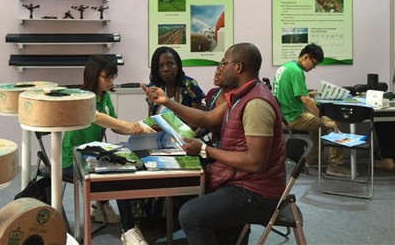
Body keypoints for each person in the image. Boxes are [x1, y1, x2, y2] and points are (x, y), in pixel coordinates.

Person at [143, 43, 286, 245]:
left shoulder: (256, 104)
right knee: (181, 186)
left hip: (256, 193)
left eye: (223, 63)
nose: (220, 68)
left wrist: (204, 149)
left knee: (190, 215)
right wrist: (166, 102)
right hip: (239, 179)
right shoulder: (240, 96)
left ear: (237, 67)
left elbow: (255, 163)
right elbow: (207, 119)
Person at [61, 55, 153, 245]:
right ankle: (128, 230)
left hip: (92, 155)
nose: (111, 81)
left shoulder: (105, 96)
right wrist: (131, 125)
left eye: (113, 77)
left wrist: (135, 129)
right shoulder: (82, 98)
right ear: (94, 75)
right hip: (73, 161)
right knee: (118, 175)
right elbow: (97, 117)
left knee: (124, 163)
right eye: (107, 77)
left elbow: (115, 126)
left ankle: (100, 207)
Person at [272, 43, 351, 177]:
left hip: (282, 115)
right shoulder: (297, 72)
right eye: (314, 63)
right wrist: (322, 118)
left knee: (318, 126)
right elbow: (305, 101)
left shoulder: (285, 67)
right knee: (334, 122)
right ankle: (335, 165)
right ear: (306, 57)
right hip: (294, 117)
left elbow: (288, 93)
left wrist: (308, 94)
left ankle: (312, 159)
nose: (314, 67)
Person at [146, 46, 205, 122]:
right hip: (158, 128)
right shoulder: (153, 86)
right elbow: (151, 119)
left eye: (169, 64)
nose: (165, 69)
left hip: (184, 129)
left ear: (178, 65)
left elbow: (198, 121)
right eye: (160, 66)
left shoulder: (190, 85)